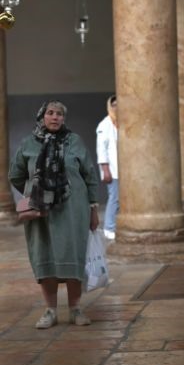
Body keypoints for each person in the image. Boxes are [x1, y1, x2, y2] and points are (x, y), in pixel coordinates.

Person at [9, 100, 100, 329]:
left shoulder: (74, 142)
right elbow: (16, 175)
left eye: (60, 114)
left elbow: (89, 176)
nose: (55, 117)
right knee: (44, 256)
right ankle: (50, 311)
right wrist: (35, 194)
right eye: (50, 113)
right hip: (41, 214)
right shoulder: (28, 144)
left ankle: (75, 309)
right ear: (42, 116)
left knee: (73, 256)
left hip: (73, 211)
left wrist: (93, 208)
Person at [96, 94, 118, 240]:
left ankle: (115, 225)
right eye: (115, 105)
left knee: (120, 199)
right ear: (110, 106)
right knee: (114, 198)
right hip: (112, 169)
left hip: (123, 170)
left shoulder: (119, 123)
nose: (118, 107)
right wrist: (105, 170)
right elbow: (101, 149)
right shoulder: (105, 124)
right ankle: (109, 227)